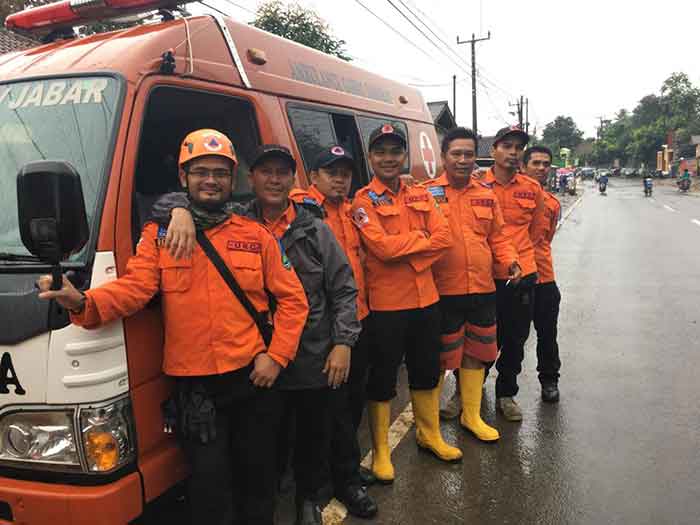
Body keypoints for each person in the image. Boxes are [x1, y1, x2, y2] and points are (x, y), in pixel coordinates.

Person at [37, 129, 309, 525]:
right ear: (183, 179)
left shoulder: (256, 236)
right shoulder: (160, 235)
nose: (211, 180)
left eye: (220, 172)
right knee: (208, 490)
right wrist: (82, 301)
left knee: (258, 483)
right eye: (200, 172)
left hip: (254, 380)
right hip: (196, 390)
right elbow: (135, 288)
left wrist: (277, 357)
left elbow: (293, 300)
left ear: (232, 180)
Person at [150, 144, 372, 525]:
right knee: (264, 446)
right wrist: (179, 210)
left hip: (307, 354)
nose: (274, 180)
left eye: (282, 173)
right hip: (252, 363)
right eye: (265, 172)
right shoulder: (227, 218)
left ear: (293, 180)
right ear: (249, 179)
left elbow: (344, 289)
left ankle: (308, 500)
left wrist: (342, 343)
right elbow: (176, 198)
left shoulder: (314, 228)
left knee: (314, 435)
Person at [351, 123, 462, 484]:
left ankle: (429, 435)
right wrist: (421, 239)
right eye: (381, 151)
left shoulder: (419, 194)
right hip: (387, 306)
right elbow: (379, 248)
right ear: (370, 158)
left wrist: (407, 249)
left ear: (404, 156)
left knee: (428, 370)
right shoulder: (363, 200)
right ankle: (381, 451)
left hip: (426, 300)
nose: (388, 158)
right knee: (383, 378)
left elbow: (445, 237)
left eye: (395, 151)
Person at [422, 127, 520, 442]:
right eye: (456, 154)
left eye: (468, 154)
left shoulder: (486, 195)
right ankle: (428, 427)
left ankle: (471, 415)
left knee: (476, 353)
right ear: (443, 156)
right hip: (440, 291)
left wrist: (510, 261)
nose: (463, 160)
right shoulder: (425, 194)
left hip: (481, 288)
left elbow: (499, 238)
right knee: (438, 357)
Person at [289, 145, 378, 489]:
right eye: (331, 173)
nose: (340, 179)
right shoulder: (300, 207)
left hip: (359, 318)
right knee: (332, 407)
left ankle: (340, 464)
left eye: (345, 173)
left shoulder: (352, 210)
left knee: (354, 398)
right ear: (313, 177)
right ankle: (343, 476)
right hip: (325, 329)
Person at [479, 126, 547, 422]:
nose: (513, 152)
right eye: (507, 146)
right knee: (480, 338)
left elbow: (537, 233)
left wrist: (520, 258)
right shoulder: (476, 184)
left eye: (518, 147)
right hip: (484, 277)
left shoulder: (532, 189)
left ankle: (506, 394)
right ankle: (468, 390)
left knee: (515, 338)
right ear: (493, 149)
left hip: (522, 276)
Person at [522, 146, 562, 403]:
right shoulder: (506, 197)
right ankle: (474, 384)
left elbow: (546, 238)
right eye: (535, 163)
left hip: (544, 278)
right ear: (524, 166)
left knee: (547, 333)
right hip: (514, 277)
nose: (541, 168)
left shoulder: (552, 204)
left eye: (545, 164)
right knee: (504, 336)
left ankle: (549, 380)